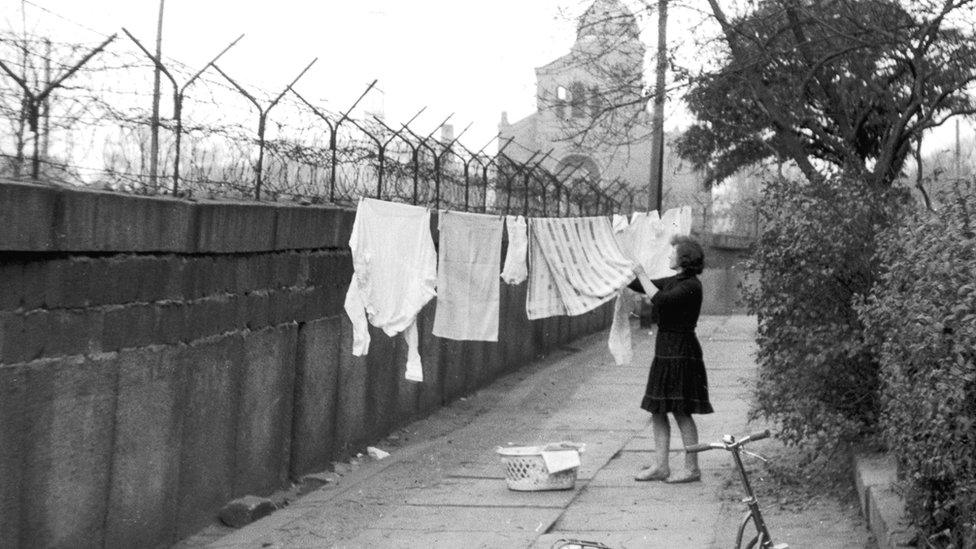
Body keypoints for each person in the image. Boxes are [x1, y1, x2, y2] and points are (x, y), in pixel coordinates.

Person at [629, 235, 713, 483]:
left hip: (681, 351)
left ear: (683, 259)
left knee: (681, 411)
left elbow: (660, 299)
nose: (668, 255)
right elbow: (643, 286)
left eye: (673, 252)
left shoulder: (691, 285)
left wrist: (642, 274)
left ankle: (692, 468)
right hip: (666, 349)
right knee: (658, 410)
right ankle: (661, 466)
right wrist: (620, 274)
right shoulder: (675, 281)